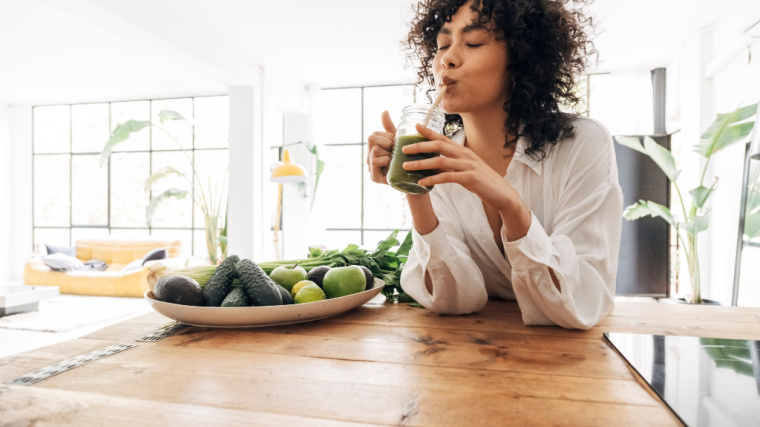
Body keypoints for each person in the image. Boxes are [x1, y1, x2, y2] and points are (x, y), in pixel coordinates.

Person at [366, 0, 622, 329]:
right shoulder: (438, 157)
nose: (447, 58)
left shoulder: (582, 144)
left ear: (520, 60)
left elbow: (584, 301)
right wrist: (413, 186)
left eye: (472, 43)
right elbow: (453, 301)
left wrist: (511, 206)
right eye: (443, 44)